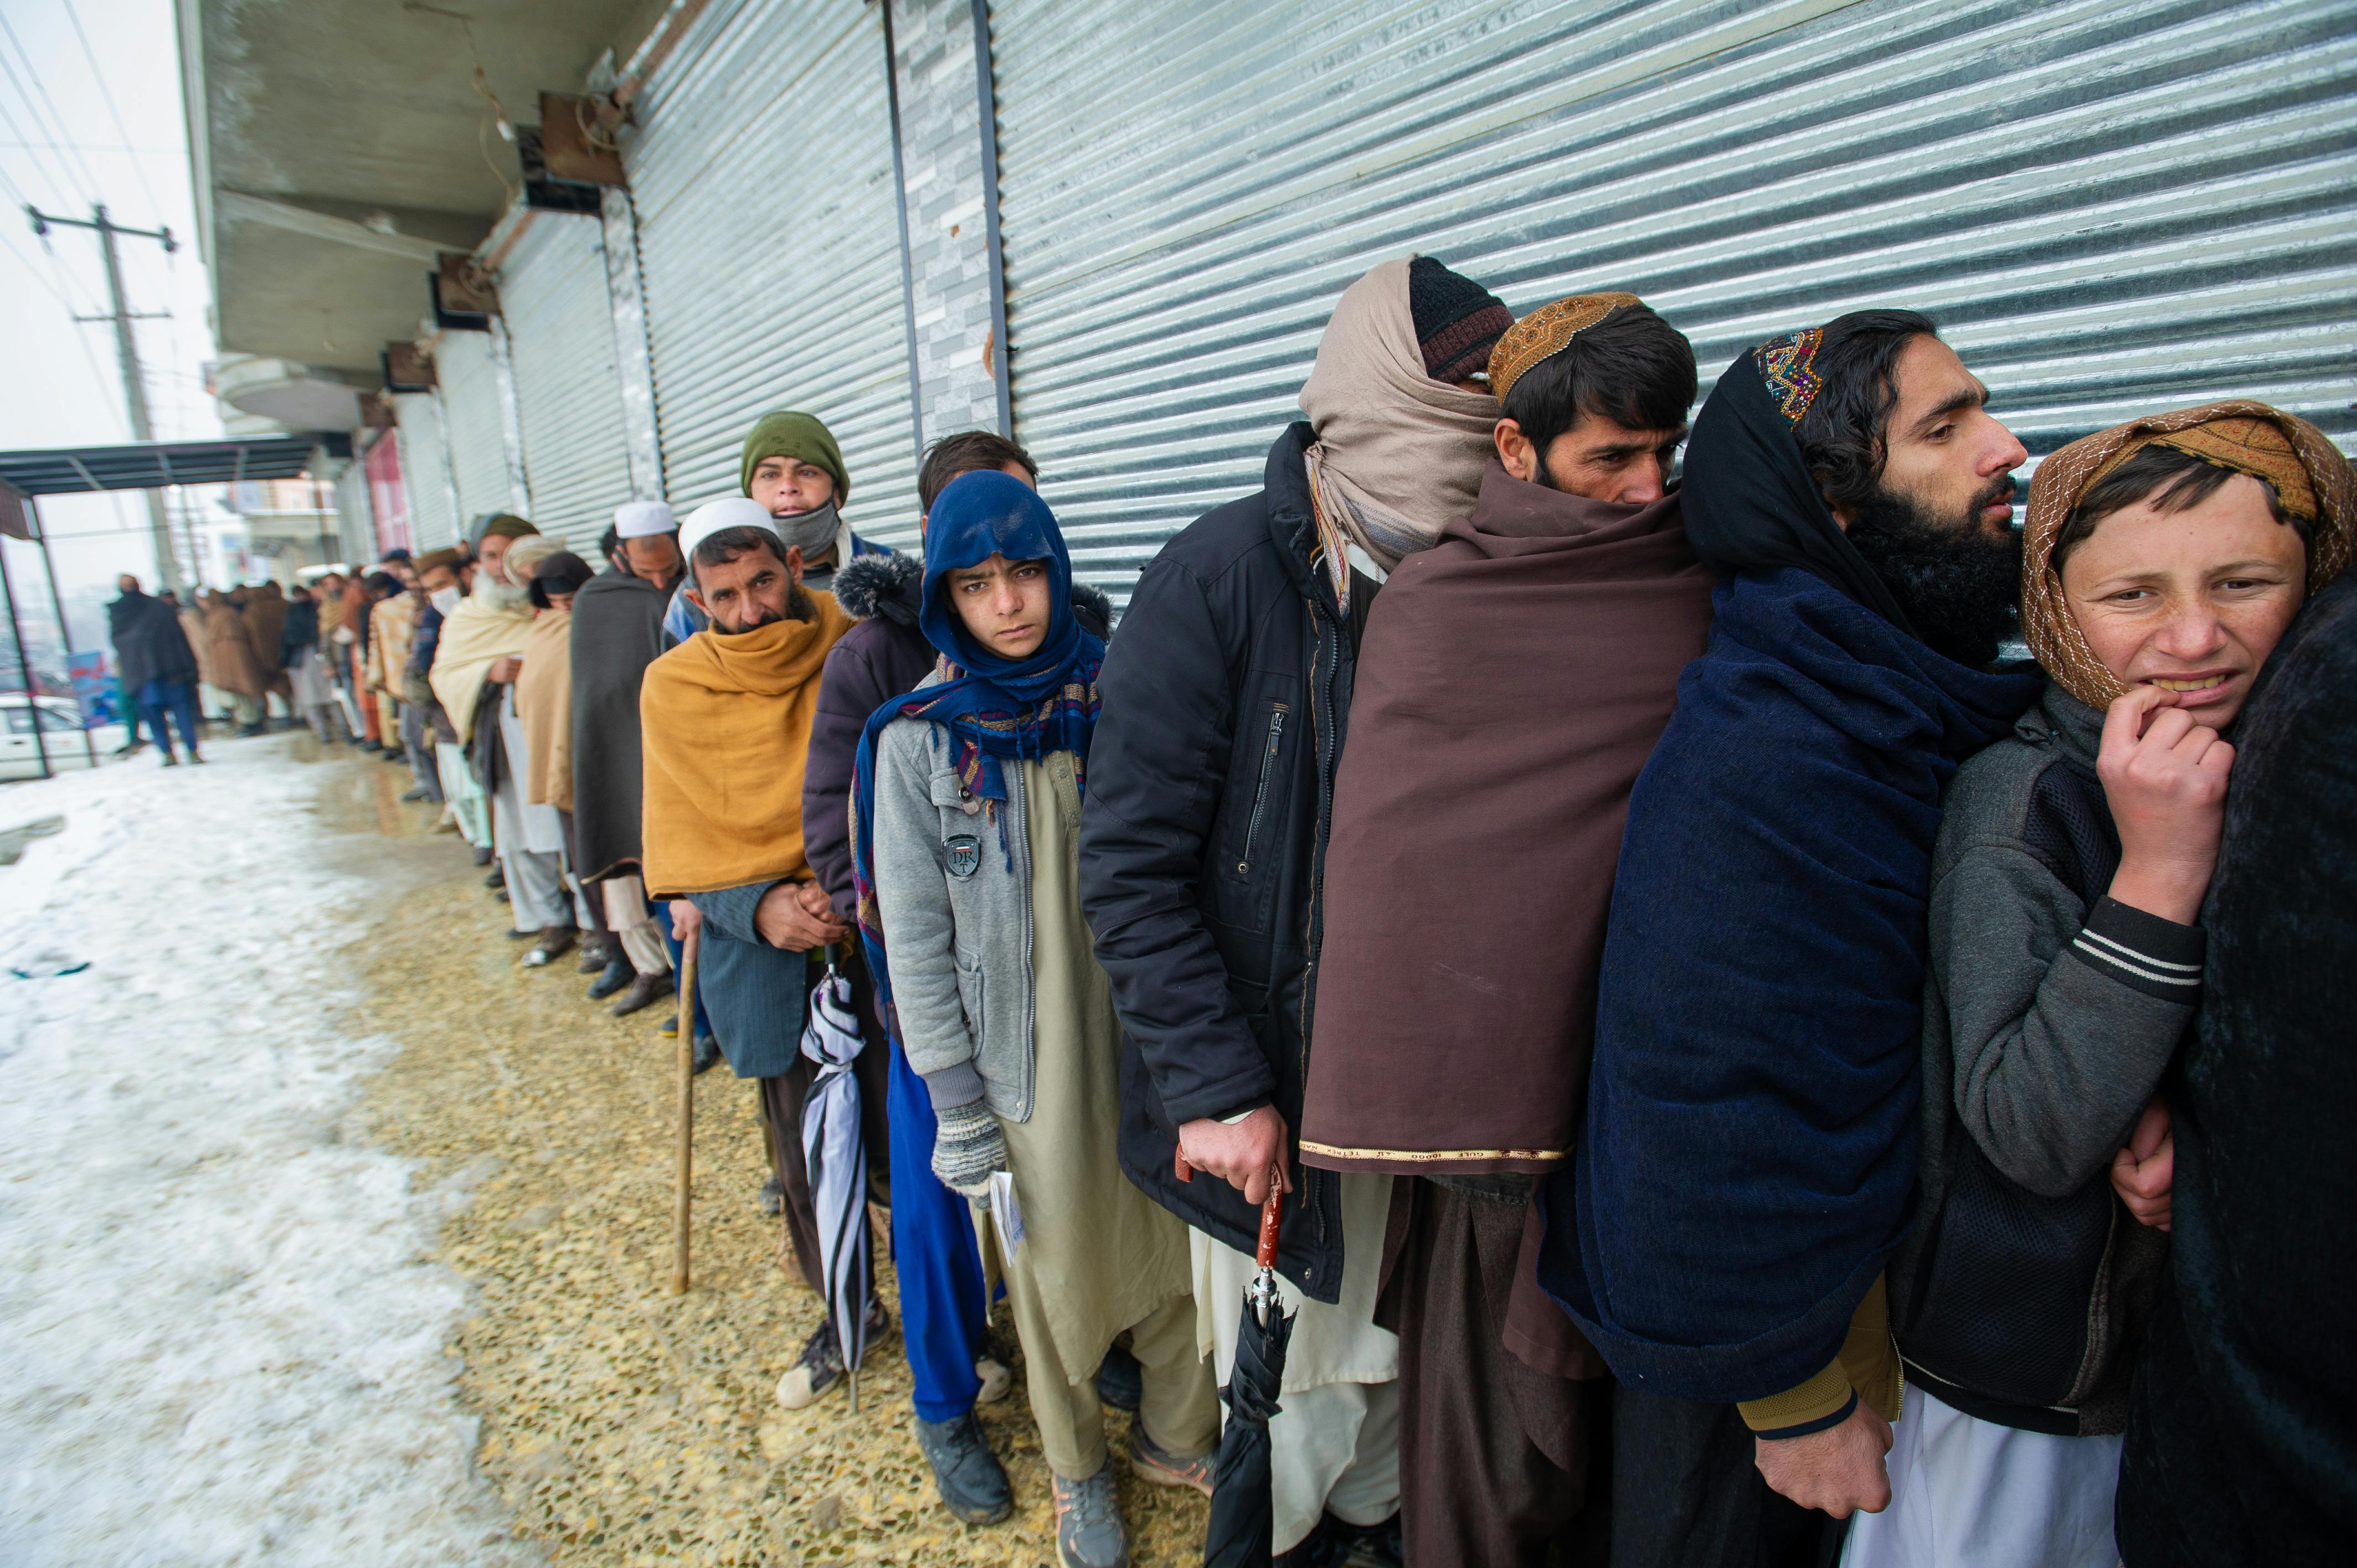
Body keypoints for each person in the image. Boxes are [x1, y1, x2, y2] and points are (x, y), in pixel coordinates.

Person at [1535, 311, 2047, 1567]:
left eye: (1983, 406)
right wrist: (1797, 1398)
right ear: (1837, 503)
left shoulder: (1882, 690)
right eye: (1949, 425)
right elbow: (1703, 1097)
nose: (2011, 446)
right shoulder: (1774, 754)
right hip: (1775, 1371)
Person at [1080, 254, 1515, 1566]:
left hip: (1418, 1089)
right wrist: (1218, 1088)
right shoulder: (1221, 575)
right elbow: (1130, 865)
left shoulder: (1484, 568)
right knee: (1296, 1389)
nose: (1490, 408)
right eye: (1465, 378)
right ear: (1381, 380)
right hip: (1273, 1095)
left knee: (1393, 1369)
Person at [1296, 293, 1709, 1565]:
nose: (1647, 489)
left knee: (1636, 1459)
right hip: (1492, 1130)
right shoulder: (1438, 607)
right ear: (1516, 453)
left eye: (1665, 453)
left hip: (1650, 1100)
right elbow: (1407, 869)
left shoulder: (1703, 573)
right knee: (1494, 1455)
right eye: (1611, 459)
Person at [856, 471, 1219, 1568]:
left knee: (1172, 1239)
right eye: (977, 583)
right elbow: (910, 936)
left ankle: (1174, 1434)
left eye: (1026, 573)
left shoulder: (1120, 694)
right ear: (945, 600)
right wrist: (955, 1099)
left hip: (1147, 1036)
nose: (1008, 602)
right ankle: (1076, 1475)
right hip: (1021, 1067)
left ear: (1057, 575)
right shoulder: (916, 739)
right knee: (1052, 1271)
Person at [801, 430, 1071, 1523]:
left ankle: (1089, 1354)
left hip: (1061, 994)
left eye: (1026, 539)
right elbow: (836, 825)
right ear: (934, 543)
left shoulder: (1084, 652)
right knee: (935, 1207)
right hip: (939, 1004)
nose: (1005, 582)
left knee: (1072, 1190)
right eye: (976, 551)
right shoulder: (875, 659)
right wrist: (926, 956)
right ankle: (945, 1402)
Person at [2113, 460, 2355, 1565]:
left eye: (2245, 584)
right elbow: (2026, 1113)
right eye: (2132, 596)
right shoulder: (2031, 801)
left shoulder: (2300, 724)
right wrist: (2154, 874)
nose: (2195, 639)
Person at [638, 497, 872, 1394]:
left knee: (905, 1142)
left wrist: (841, 875)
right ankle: (843, 1313)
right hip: (761, 955)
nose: (750, 610)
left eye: (763, 582)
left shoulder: (849, 641)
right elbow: (687, 833)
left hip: (869, 930)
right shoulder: (675, 687)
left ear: (793, 564)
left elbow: (888, 770)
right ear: (697, 601)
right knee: (805, 1155)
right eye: (725, 594)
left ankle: (950, 1319)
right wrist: (758, 903)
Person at [570, 502, 686, 1020]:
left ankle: (702, 1007)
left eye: (669, 569)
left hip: (694, 753)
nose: (662, 580)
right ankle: (682, 998)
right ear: (621, 555)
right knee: (657, 881)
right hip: (632, 757)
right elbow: (599, 694)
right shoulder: (599, 599)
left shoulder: (696, 585)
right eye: (649, 572)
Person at [430, 518, 569, 947]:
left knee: (567, 825)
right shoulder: (468, 617)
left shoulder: (562, 603)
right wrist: (487, 671)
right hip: (506, 737)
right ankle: (549, 918)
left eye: (512, 554)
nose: (502, 567)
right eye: (491, 556)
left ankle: (594, 921)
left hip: (559, 731)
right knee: (522, 828)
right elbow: (443, 672)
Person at [662, 412, 887, 647]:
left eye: (806, 473)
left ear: (837, 492)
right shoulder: (699, 595)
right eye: (770, 475)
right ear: (750, 496)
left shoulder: (890, 573)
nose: (788, 487)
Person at [107, 573, 204, 766]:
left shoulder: (120, 613)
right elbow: (180, 640)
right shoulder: (160, 608)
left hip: (142, 676)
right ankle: (191, 751)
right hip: (171, 672)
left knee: (155, 718)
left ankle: (167, 753)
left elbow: (120, 645)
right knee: (182, 713)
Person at [200, 587, 267, 733]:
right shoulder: (228, 612)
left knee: (241, 689)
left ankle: (250, 720)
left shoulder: (220, 614)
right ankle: (250, 719)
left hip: (231, 657)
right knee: (243, 689)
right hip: (235, 655)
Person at [240, 579, 292, 729]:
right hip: (287, 650)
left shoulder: (250, 612)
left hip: (264, 654)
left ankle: (282, 714)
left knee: (273, 685)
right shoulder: (284, 605)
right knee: (290, 682)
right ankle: (298, 713)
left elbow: (252, 636)